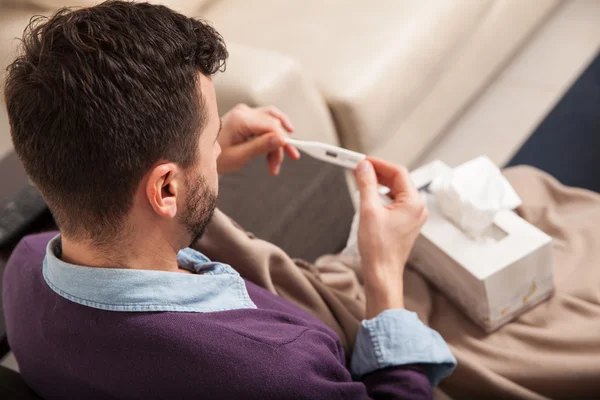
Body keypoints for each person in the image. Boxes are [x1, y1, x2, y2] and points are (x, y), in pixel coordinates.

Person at [2, 2, 455, 399]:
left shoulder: (21, 269)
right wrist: (384, 275)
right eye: (212, 137)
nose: (218, 146)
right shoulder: (278, 369)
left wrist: (197, 158)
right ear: (165, 190)